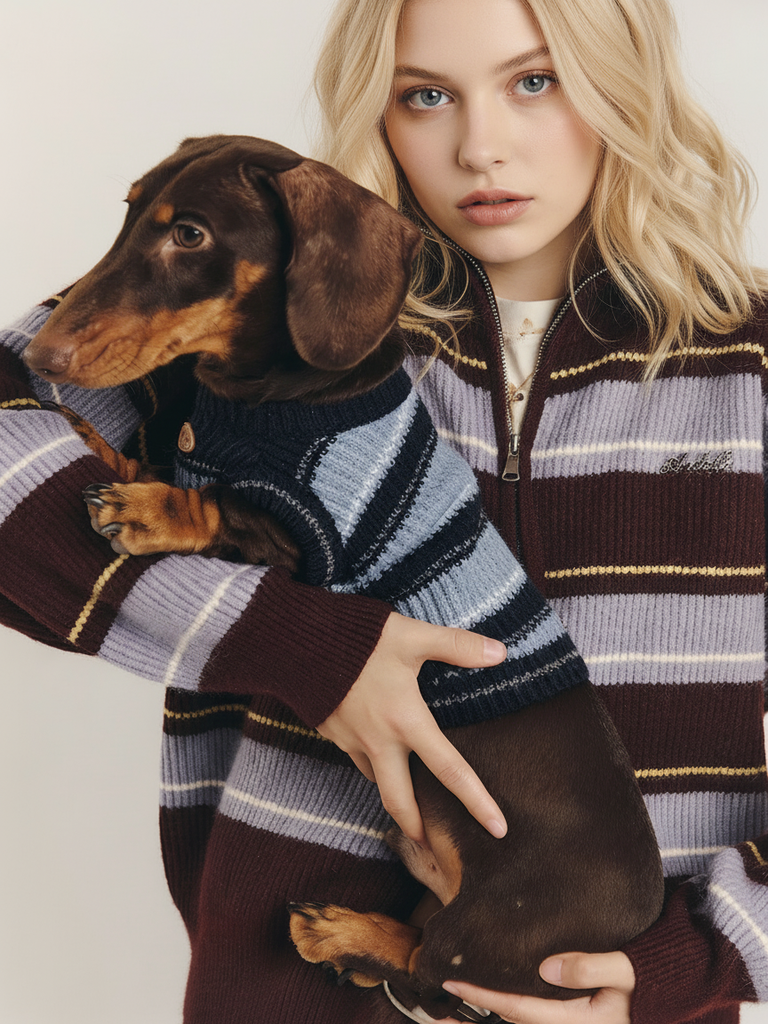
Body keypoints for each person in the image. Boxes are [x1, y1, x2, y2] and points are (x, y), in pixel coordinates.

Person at [0, 0, 765, 1023]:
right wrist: (299, 643)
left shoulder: (750, 362)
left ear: (626, 83)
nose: (480, 145)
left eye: (535, 80)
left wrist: (691, 961)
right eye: (427, 95)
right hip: (284, 989)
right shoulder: (250, 323)